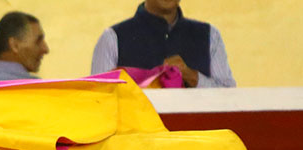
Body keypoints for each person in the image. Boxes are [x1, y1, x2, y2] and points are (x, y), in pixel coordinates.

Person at [90, 1, 235, 88]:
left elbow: (230, 99)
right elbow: (99, 101)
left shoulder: (210, 36)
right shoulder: (112, 38)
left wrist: (192, 77)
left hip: (197, 137)